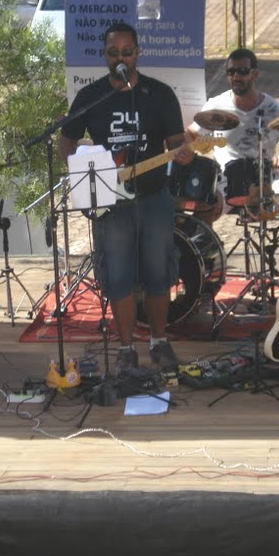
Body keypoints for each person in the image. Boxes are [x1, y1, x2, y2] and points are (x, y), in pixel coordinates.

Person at [59, 22, 187, 375]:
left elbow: (176, 141)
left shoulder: (160, 94)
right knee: (117, 276)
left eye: (127, 52)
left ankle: (158, 341)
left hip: (153, 197)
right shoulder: (92, 96)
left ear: (137, 52)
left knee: (158, 271)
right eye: (113, 53)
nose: (120, 59)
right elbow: (67, 141)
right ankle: (126, 347)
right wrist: (81, 171)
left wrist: (183, 152)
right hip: (111, 203)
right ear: (104, 55)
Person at [186, 48, 279, 250]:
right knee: (204, 206)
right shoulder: (216, 106)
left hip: (267, 180)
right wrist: (182, 150)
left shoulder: (275, 110)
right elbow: (190, 135)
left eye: (242, 71)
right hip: (226, 181)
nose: (236, 77)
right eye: (231, 72)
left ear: (255, 74)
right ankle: (208, 262)